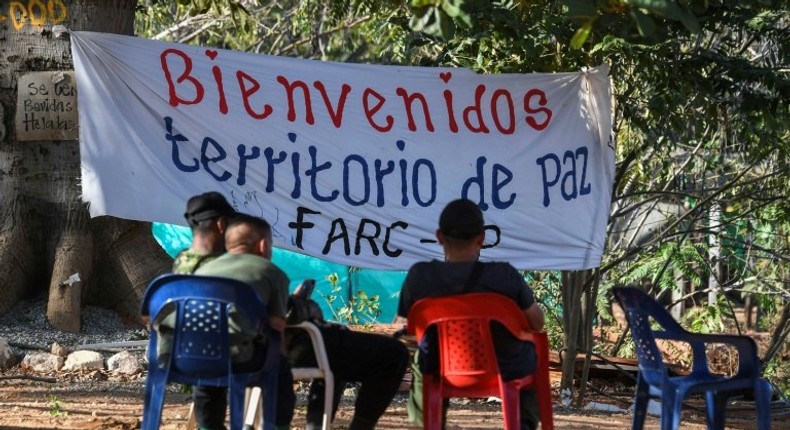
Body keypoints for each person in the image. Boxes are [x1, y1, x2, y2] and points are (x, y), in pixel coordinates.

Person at [395, 198, 546, 430]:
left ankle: (426, 423)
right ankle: (522, 425)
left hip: (439, 368)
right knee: (530, 354)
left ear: (439, 237)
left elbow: (411, 332)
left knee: (422, 359)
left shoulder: (420, 277)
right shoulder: (504, 276)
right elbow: (536, 323)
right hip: (506, 369)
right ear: (482, 238)